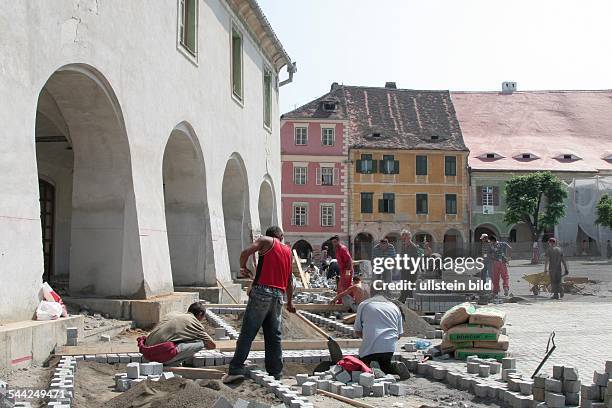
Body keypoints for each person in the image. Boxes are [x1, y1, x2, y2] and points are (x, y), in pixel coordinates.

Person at [223, 226, 295, 383]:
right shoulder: (288, 251)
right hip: (278, 296)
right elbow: (290, 280)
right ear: (280, 235)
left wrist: (243, 267)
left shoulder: (265, 240)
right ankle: (275, 373)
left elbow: (245, 253)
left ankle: (236, 369)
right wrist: (289, 302)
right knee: (273, 336)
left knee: (248, 332)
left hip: (262, 291)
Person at [354, 286, 409, 379]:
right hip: (389, 349)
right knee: (385, 366)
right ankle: (393, 367)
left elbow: (357, 331)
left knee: (362, 366)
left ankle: (373, 367)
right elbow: (399, 335)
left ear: (371, 292)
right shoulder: (395, 307)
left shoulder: (364, 304)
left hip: (369, 351)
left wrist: (369, 336)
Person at [143, 302, 216, 367]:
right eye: (203, 317)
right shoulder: (194, 322)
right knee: (200, 343)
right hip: (158, 356)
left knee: (180, 339)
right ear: (200, 314)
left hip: (146, 353)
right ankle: (170, 363)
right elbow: (212, 345)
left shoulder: (173, 314)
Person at [398, 230, 419, 302]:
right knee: (404, 286)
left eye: (405, 238)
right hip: (404, 270)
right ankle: (402, 300)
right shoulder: (403, 246)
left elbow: (415, 261)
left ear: (409, 238)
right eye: (402, 239)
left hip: (411, 271)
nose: (403, 240)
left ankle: (407, 302)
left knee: (410, 288)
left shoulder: (414, 247)